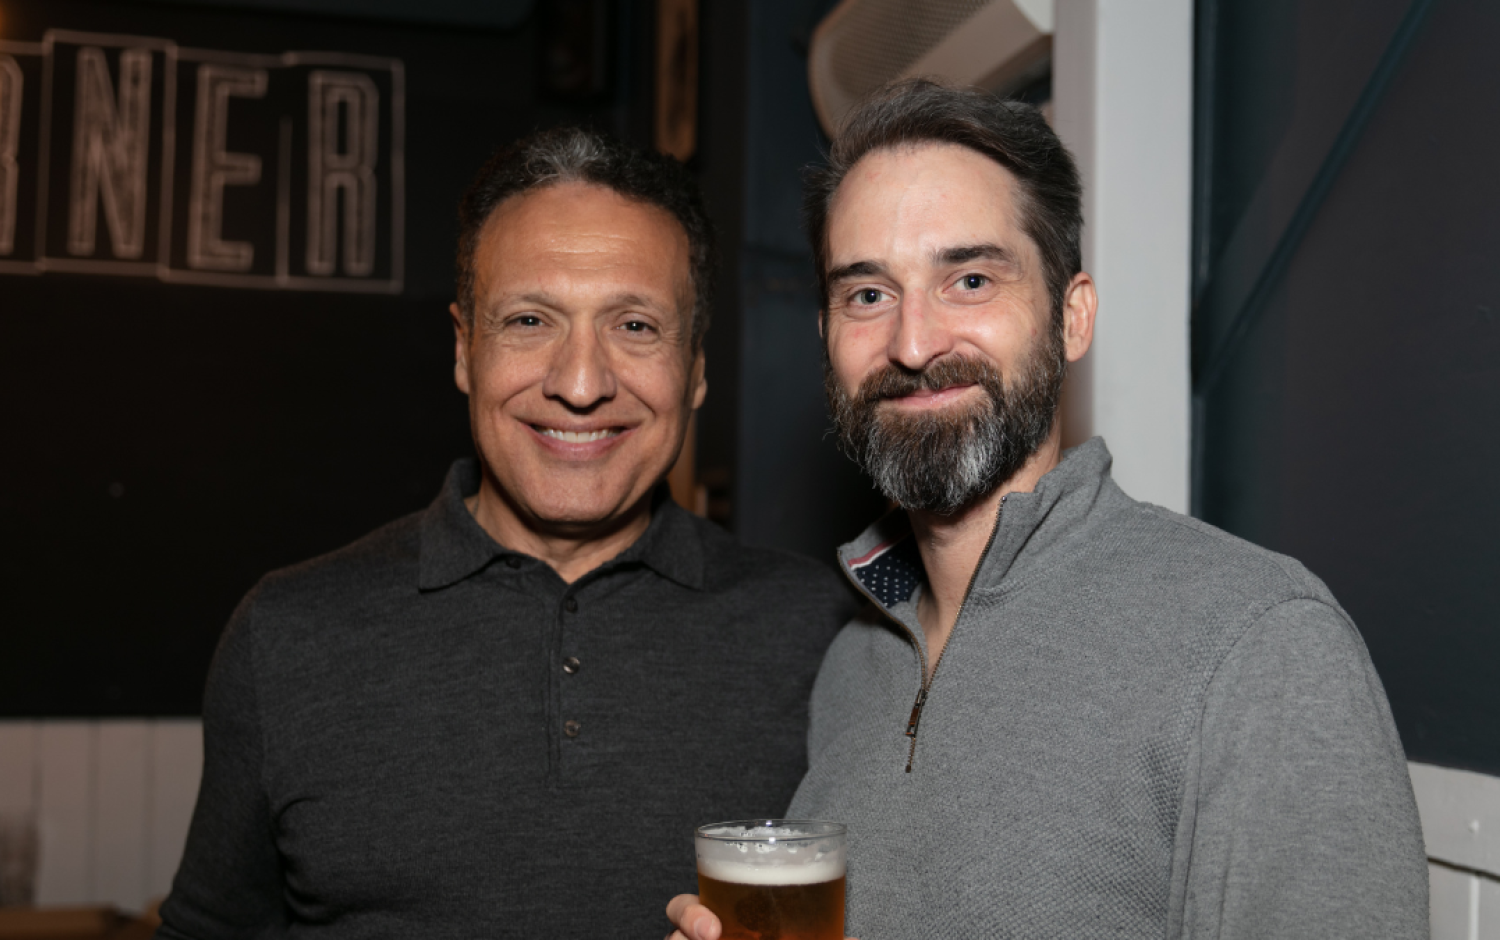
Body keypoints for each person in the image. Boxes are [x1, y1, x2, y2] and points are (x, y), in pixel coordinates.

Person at [668, 79, 1428, 939]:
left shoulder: (1261, 648)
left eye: (971, 279)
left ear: (1072, 318)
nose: (912, 344)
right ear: (826, 338)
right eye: (868, 294)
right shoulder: (851, 666)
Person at [155, 126, 855, 940]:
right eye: (529, 320)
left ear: (696, 368)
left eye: (634, 326)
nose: (581, 384)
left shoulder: (827, 637)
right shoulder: (284, 638)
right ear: (464, 349)